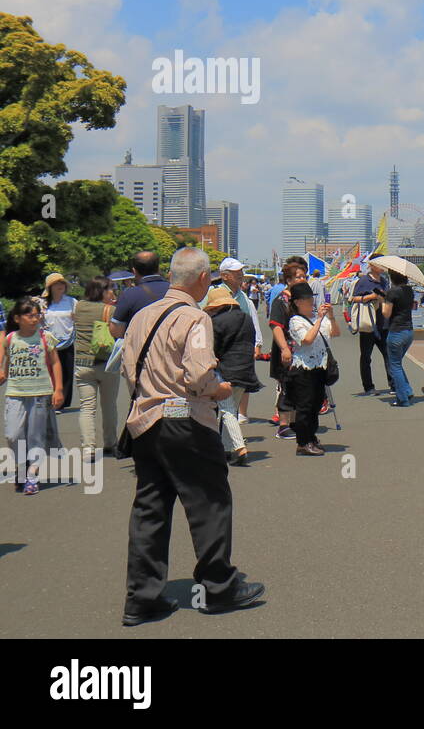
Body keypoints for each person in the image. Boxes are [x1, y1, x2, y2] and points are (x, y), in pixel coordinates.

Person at [120, 246, 265, 625]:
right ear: (203, 278)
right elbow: (200, 376)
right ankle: (218, 586)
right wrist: (218, 390)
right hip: (185, 419)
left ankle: (142, 597)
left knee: (150, 509)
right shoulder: (194, 318)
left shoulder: (141, 317)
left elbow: (128, 369)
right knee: (209, 503)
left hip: (145, 421)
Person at [2, 297, 64, 495]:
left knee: (35, 436)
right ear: (18, 318)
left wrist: (59, 389)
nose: (35, 319)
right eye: (30, 316)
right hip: (15, 392)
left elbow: (55, 363)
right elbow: (7, 360)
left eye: (37, 315)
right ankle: (21, 466)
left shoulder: (45, 337)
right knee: (13, 434)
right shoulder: (10, 338)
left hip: (40, 393)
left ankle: (32, 474)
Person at [199, 257, 263, 425]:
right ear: (225, 275)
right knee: (220, 385)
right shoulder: (213, 293)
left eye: (241, 271)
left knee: (240, 381)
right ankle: (226, 426)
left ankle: (238, 415)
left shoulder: (244, 298)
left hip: (240, 345)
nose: (240, 275)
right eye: (236, 272)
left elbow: (253, 320)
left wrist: (258, 343)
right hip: (219, 346)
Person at [204, 286, 260, 466]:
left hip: (226, 370)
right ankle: (226, 449)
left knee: (227, 410)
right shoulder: (246, 318)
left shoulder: (216, 322)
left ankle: (239, 447)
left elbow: (213, 349)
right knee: (232, 410)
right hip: (246, 369)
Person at [284, 281, 339, 452]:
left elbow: (335, 332)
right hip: (303, 369)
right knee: (304, 406)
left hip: (320, 367)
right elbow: (306, 340)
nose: (311, 302)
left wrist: (330, 316)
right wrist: (320, 319)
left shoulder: (318, 318)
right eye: (307, 299)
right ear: (298, 302)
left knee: (316, 405)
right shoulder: (295, 321)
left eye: (311, 298)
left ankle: (311, 437)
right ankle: (302, 441)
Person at [72, 276, 120, 461]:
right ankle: (110, 443)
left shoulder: (78, 307)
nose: (113, 292)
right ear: (102, 291)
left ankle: (88, 448)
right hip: (107, 364)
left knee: (87, 407)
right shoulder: (110, 310)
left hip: (83, 365)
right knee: (109, 407)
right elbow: (118, 333)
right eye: (110, 289)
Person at [268, 259, 309, 436]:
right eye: (298, 277)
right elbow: (275, 326)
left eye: (304, 276)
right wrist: (284, 348)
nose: (303, 279)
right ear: (289, 280)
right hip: (287, 348)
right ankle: (283, 425)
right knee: (286, 386)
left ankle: (294, 422)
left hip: (303, 349)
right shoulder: (281, 300)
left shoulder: (302, 299)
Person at [350, 258, 392, 396]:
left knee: (388, 354)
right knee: (366, 357)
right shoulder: (363, 281)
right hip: (368, 324)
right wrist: (371, 296)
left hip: (383, 323)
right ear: (371, 265)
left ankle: (393, 384)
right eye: (380, 264)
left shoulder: (384, 281)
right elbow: (353, 298)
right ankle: (368, 386)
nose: (382, 267)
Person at [109, 251, 170, 338]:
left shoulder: (129, 294)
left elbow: (115, 331)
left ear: (134, 271)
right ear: (158, 268)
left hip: (142, 347)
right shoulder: (175, 289)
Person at [41, 272, 78, 409]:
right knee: (50, 371)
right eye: (56, 284)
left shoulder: (71, 302)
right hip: (49, 342)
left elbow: (77, 318)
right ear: (50, 287)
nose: (60, 286)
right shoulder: (43, 303)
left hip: (67, 340)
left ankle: (63, 402)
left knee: (67, 371)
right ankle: (51, 399)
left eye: (62, 283)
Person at [381, 270, 415, 407]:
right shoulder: (409, 291)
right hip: (409, 331)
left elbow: (386, 313)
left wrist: (383, 300)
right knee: (397, 364)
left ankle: (403, 398)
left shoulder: (392, 292)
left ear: (392, 278)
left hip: (396, 331)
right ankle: (407, 390)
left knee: (394, 365)